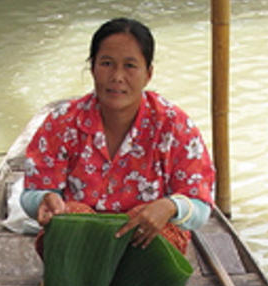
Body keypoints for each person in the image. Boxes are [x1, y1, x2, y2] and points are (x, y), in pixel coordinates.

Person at [20, 17, 216, 256]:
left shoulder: (174, 126)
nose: (117, 77)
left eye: (130, 66)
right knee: (73, 216)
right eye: (107, 64)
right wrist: (45, 199)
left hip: (144, 244)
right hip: (81, 246)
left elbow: (200, 204)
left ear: (148, 74)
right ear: (92, 68)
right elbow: (31, 193)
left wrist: (170, 206)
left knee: (158, 226)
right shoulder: (63, 121)